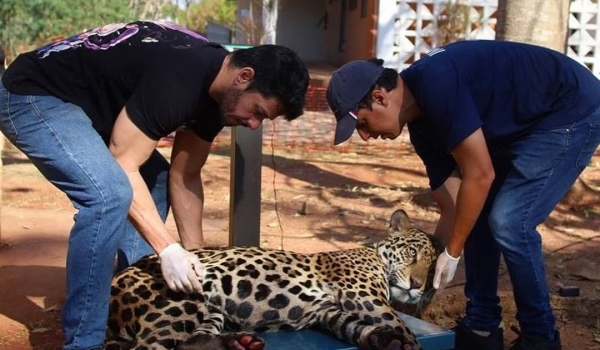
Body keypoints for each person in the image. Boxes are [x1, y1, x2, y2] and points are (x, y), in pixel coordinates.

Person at [0, 20, 309, 350]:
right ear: (243, 77)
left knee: (156, 180)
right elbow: (123, 163)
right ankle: (85, 343)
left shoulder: (219, 95)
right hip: (33, 94)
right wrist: (167, 248)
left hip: (91, 110)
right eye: (258, 112)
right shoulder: (180, 77)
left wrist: (199, 263)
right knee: (108, 196)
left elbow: (184, 176)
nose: (252, 124)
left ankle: (139, 302)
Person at [326, 39, 600, 350]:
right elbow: (455, 208)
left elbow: (481, 175)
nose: (365, 136)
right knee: (476, 213)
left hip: (568, 110)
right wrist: (424, 274)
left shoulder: (436, 83)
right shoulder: (423, 130)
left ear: (379, 98)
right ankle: (482, 326)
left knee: (510, 222)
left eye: (361, 123)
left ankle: (541, 337)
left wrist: (453, 252)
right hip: (520, 123)